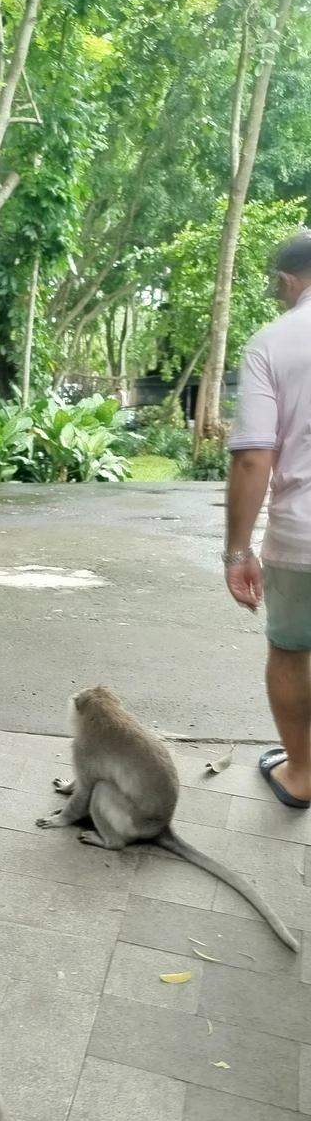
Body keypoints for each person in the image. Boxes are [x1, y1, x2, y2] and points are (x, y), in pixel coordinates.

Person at [225, 231, 311, 807]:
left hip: (303, 537)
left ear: (285, 281)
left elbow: (255, 455)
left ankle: (302, 774)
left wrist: (237, 550)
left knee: (291, 649)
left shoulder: (273, 343)